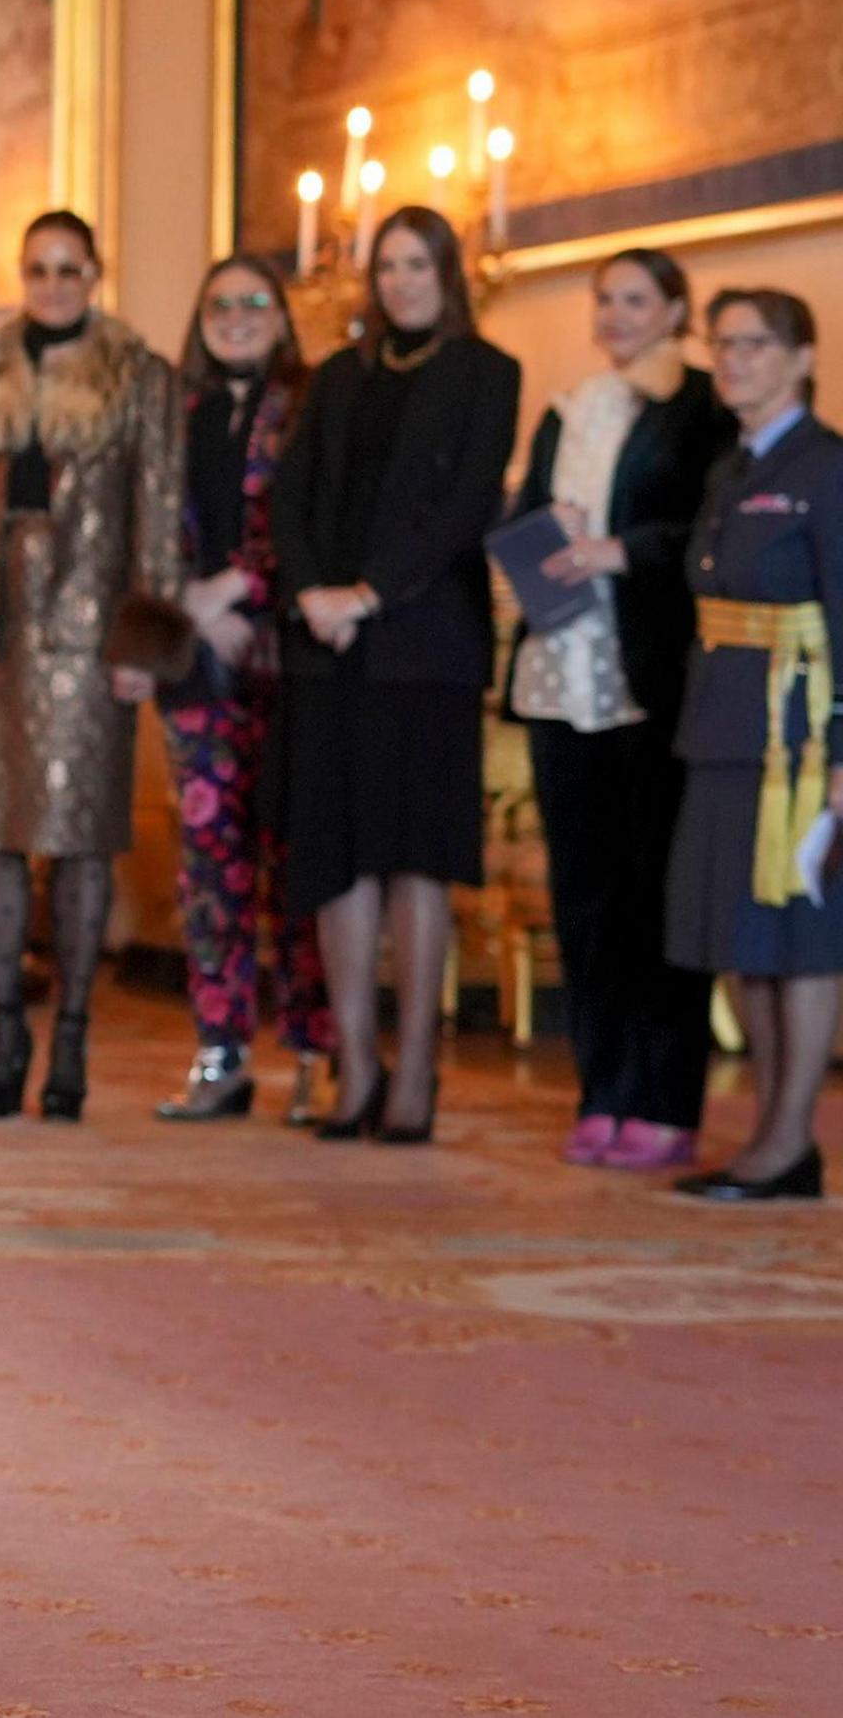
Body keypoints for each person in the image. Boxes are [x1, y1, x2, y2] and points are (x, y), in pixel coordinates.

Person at [0, 212, 191, 1123]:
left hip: (91, 646)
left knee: (83, 842)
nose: (53, 283)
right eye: (39, 269)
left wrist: (144, 642)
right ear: (23, 275)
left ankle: (77, 1033)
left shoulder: (140, 376)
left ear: (95, 273)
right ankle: (7, 1029)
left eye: (70, 268)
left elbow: (160, 512)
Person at [276, 205, 521, 1144]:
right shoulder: (338, 377)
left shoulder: (486, 372)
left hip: (426, 648)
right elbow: (291, 499)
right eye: (388, 267)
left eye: (419, 265)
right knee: (339, 860)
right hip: (327, 648)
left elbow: (466, 506)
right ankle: (358, 1067)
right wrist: (311, 594)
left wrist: (370, 594)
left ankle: (416, 1069)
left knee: (418, 857)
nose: (401, 282)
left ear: (449, 273)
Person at [509, 250, 733, 1169]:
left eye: (636, 299)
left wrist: (621, 551)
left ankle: (666, 1095)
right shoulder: (571, 405)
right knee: (587, 895)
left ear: (676, 310)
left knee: (656, 896)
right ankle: (600, 1088)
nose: (616, 315)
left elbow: (711, 531)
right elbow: (527, 514)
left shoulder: (703, 408)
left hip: (653, 676)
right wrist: (540, 552)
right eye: (605, 299)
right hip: (565, 675)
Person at [661, 287, 838, 1203]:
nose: (733, 360)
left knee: (799, 938)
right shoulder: (729, 467)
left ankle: (789, 1137)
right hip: (725, 725)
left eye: (756, 344)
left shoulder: (826, 466)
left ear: (803, 357)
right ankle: (776, 1133)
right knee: (743, 939)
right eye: (722, 344)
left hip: (799, 741)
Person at [153, 254, 332, 1122]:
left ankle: (313, 1052)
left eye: (255, 302)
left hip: (291, 662)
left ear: (282, 315)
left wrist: (241, 590)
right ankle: (220, 1051)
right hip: (197, 663)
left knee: (296, 859)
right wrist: (189, 601)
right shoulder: (175, 413)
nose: (236, 316)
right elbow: (148, 522)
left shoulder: (308, 405)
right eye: (220, 303)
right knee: (209, 866)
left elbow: (316, 521)